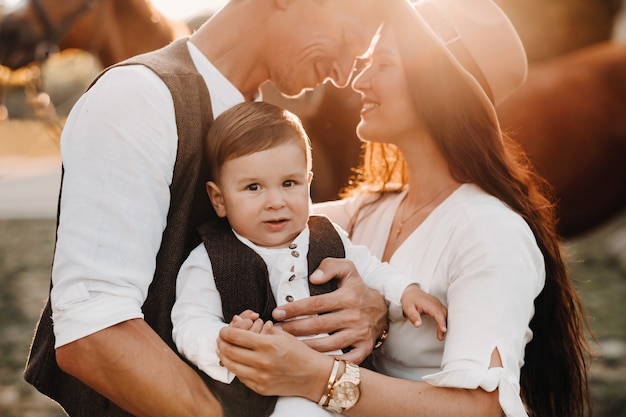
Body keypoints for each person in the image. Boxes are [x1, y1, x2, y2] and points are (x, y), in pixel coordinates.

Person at [216, 1, 594, 417]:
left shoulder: (489, 231)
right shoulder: (368, 212)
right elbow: (242, 217)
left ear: (437, 85)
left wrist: (317, 377)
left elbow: (483, 408)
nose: (359, 80)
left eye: (384, 63)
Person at [23, 1, 400, 416]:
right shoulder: (137, 98)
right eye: (348, 40)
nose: (345, 75)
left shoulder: (264, 126)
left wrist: (375, 307)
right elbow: (93, 335)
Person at [171, 100, 448, 417]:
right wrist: (227, 340)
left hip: (350, 386)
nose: (275, 201)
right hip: (271, 399)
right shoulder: (209, 257)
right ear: (219, 199)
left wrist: (406, 291)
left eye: (289, 183)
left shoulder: (327, 236)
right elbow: (189, 323)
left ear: (308, 183)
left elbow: (372, 270)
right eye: (253, 187)